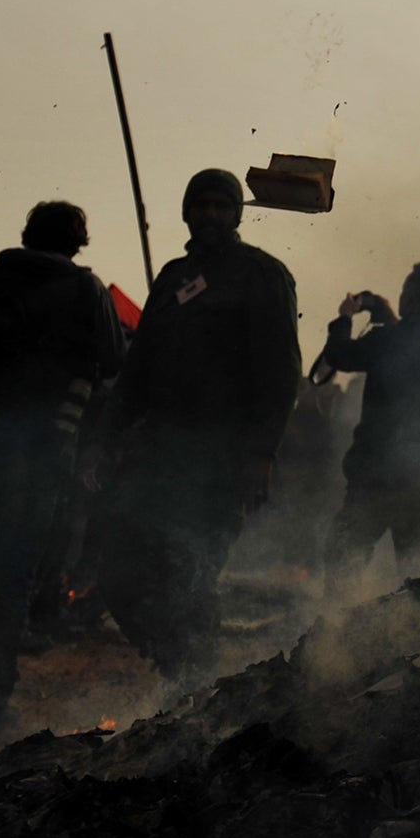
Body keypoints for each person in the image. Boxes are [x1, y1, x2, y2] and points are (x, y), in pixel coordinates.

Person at [89, 171, 300, 681]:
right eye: (199, 205)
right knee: (116, 565)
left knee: (190, 571)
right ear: (185, 213)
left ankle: (193, 689)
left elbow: (280, 370)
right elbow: (137, 371)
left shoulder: (261, 274)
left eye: (220, 205)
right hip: (158, 455)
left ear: (236, 214)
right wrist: (103, 442)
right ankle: (179, 665)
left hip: (222, 460)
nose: (209, 214)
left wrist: (260, 453)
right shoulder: (171, 278)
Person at [0, 200, 124, 733]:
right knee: (12, 582)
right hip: (40, 460)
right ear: (78, 241)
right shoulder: (86, 291)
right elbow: (113, 361)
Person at [321, 264, 420, 589]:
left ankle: (336, 626)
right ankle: (414, 633)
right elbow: (407, 340)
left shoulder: (387, 340)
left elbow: (339, 355)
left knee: (344, 557)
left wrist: (344, 317)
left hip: (377, 472)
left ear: (407, 299)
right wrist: (388, 315)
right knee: (416, 570)